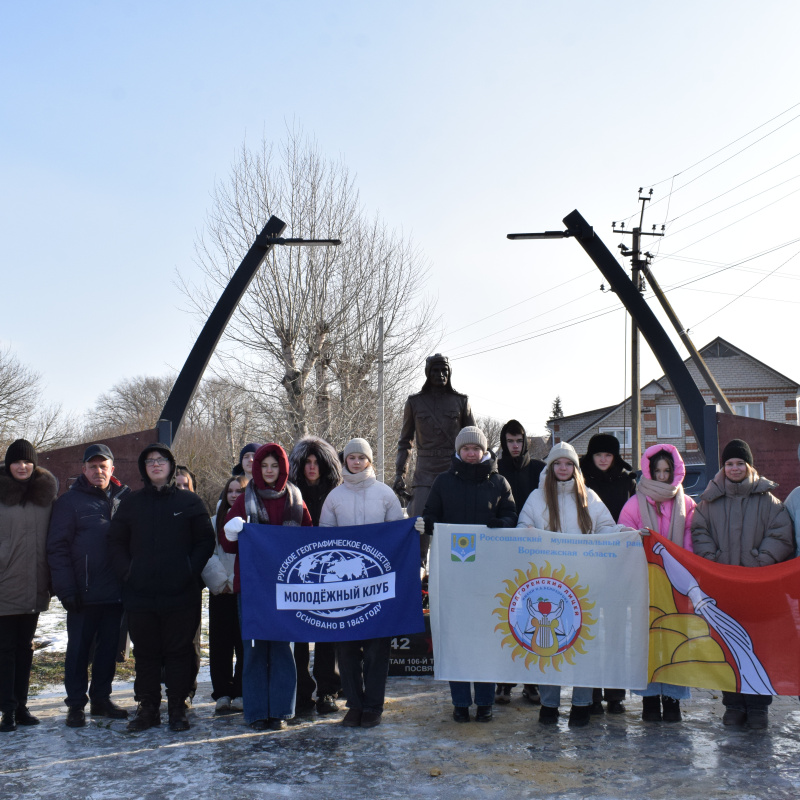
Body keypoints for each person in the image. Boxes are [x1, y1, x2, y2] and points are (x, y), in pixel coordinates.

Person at [108, 443, 215, 733]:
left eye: (162, 460)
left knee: (179, 651)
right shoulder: (131, 503)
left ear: (171, 465)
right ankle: (148, 707)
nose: (156, 465)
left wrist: (189, 569)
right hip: (140, 593)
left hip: (180, 592)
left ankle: (178, 707)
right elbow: (115, 541)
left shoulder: (190, 503)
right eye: (150, 461)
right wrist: (127, 571)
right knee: (146, 653)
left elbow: (205, 541)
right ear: (144, 468)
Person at [691, 438, 794, 729]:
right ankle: (733, 704)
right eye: (729, 464)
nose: (734, 468)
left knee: (759, 647)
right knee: (728, 646)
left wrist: (761, 561)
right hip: (723, 588)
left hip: (759, 589)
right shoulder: (709, 502)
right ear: (723, 468)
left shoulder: (770, 502)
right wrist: (712, 558)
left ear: (749, 467)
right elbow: (699, 532)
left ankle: (759, 707)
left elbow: (782, 536)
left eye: (739, 463)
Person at [417, 426, 517, 723]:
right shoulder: (443, 482)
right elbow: (432, 512)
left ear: (484, 451)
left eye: (476, 448)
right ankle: (460, 702)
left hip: (489, 576)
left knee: (485, 639)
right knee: (458, 639)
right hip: (454, 574)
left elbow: (512, 514)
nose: (471, 453)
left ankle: (485, 702)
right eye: (466, 449)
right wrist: (428, 523)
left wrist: (503, 523)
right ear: (458, 452)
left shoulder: (499, 482)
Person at [517, 441, 618, 727]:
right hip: (547, 587)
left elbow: (607, 530)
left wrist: (626, 534)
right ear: (550, 468)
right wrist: (525, 533)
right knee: (549, 647)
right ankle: (549, 705)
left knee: (582, 646)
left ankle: (581, 704)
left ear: (575, 468)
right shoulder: (536, 499)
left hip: (584, 586)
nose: (563, 468)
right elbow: (522, 530)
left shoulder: (590, 498)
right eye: (558, 464)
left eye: (568, 464)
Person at [222, 443, 312, 731]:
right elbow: (227, 543)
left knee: (283, 649)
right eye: (265, 466)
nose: (270, 470)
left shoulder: (296, 499)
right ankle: (257, 711)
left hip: (287, 588)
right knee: (255, 649)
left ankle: (282, 710)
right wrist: (232, 529)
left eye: (275, 465)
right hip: (252, 587)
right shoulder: (244, 498)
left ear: (282, 468)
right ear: (257, 469)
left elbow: (309, 541)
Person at [319, 438, 405, 729]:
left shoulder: (385, 494)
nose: (356, 462)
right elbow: (324, 540)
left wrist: (411, 529)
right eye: (351, 457)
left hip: (377, 585)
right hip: (344, 587)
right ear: (345, 461)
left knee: (376, 649)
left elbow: (397, 534)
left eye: (361, 458)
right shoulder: (334, 497)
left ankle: (374, 705)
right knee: (346, 649)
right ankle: (354, 704)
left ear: (370, 461)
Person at [47, 443, 131, 728]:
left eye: (103, 466)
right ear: (83, 469)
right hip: (82, 593)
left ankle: (101, 699)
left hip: (116, 592)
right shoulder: (69, 502)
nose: (98, 471)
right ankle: (75, 705)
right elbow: (57, 548)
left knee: (109, 650)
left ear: (112, 469)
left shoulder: (125, 498)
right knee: (79, 651)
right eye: (93, 466)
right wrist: (66, 589)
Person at [618, 444, 696, 722]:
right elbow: (622, 536)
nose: (662, 477)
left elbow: (691, 539)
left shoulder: (686, 504)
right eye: (657, 471)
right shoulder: (634, 503)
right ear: (648, 471)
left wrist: (678, 561)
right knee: (648, 641)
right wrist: (633, 536)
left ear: (675, 471)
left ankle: (673, 698)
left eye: (667, 471)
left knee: (676, 639)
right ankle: (650, 699)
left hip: (676, 583)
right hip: (645, 582)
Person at [0, 439, 57, 733]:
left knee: (25, 648)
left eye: (27, 461)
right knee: (5, 649)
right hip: (4, 586)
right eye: (16, 461)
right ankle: (6, 710)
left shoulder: (45, 498)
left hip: (35, 585)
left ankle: (21, 706)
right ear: (8, 465)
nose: (22, 466)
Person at [394, 354, 475, 561]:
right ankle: (418, 577)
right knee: (418, 527)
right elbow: (405, 442)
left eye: (444, 371)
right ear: (427, 374)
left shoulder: (461, 401)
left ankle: (455, 574)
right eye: (435, 371)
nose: (440, 375)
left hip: (454, 472)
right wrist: (399, 473)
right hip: (424, 473)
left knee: (456, 531)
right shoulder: (415, 402)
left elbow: (474, 441)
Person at [579, 432, 637, 715]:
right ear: (591, 456)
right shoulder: (580, 481)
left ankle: (615, 693)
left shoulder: (627, 482)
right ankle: (591, 692)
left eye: (608, 455)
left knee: (615, 629)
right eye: (598, 454)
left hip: (618, 563)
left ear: (615, 457)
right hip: (588, 562)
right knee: (589, 629)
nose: (603, 459)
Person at [288, 436, 343, 716]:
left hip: (330, 575)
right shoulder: (289, 494)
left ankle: (328, 691)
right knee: (298, 634)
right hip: (300, 575)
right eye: (307, 462)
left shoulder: (337, 494)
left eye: (317, 462)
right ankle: (300, 690)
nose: (312, 467)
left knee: (328, 632)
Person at [495, 419, 545, 705]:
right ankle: (504, 681)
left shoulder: (538, 469)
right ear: (504, 443)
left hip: (535, 550)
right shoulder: (496, 470)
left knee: (534, 615)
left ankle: (532, 681)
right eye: (509, 441)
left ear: (525, 441)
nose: (514, 446)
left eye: (518, 441)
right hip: (504, 550)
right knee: (506, 614)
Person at [202, 475, 246, 715]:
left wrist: (237, 581)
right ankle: (222, 693)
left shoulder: (252, 521)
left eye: (240, 491)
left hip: (243, 591)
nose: (234, 495)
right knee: (220, 645)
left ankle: (241, 691)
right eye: (230, 491)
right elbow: (207, 555)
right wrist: (223, 582)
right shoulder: (212, 522)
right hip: (221, 593)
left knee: (243, 643)